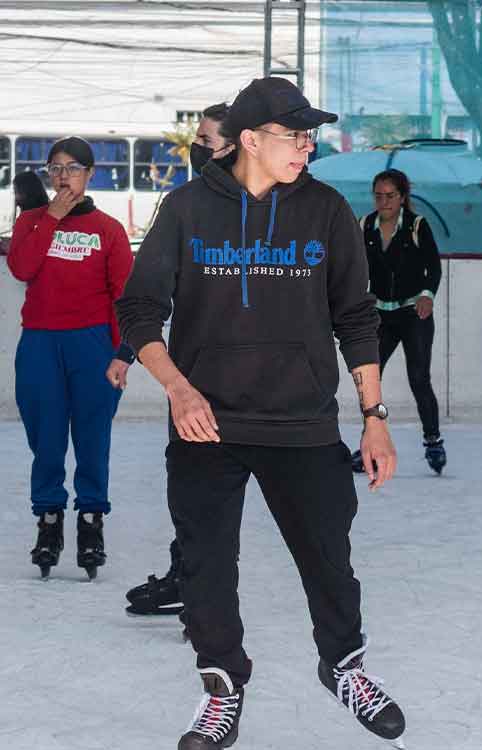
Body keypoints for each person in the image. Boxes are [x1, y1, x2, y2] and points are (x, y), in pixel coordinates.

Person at [116, 77, 406, 749]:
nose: (306, 147)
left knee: (329, 560)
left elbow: (356, 317)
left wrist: (375, 413)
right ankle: (221, 690)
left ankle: (344, 667)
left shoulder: (328, 210)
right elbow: (138, 308)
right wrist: (178, 388)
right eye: (293, 135)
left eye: (310, 136)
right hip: (205, 423)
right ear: (250, 140)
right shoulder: (187, 208)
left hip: (301, 422)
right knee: (206, 569)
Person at [125, 101, 238, 618]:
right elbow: (147, 296)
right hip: (194, 381)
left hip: (259, 388)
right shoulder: (183, 205)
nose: (197, 151)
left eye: (207, 142)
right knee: (194, 498)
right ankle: (189, 581)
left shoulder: (272, 211)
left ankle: (201, 590)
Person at [7, 137, 133, 580]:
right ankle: (49, 519)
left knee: (92, 436)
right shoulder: (31, 221)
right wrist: (49, 220)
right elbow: (21, 268)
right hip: (41, 341)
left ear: (89, 174)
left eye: (73, 168)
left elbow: (124, 297)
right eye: (55, 168)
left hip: (92, 345)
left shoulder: (108, 229)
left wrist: (124, 353)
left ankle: (91, 519)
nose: (63, 176)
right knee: (46, 437)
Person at [352, 167, 447, 475]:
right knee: (369, 382)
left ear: (402, 197)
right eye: (378, 195)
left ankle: (433, 440)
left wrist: (427, 295)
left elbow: (433, 268)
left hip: (412, 313)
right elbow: (353, 267)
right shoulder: (365, 225)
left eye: (390, 196)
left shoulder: (417, 225)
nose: (384, 201)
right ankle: (369, 441)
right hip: (380, 314)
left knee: (419, 377)